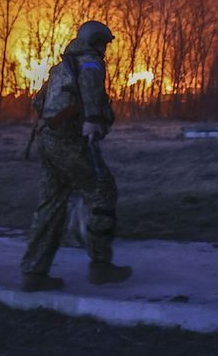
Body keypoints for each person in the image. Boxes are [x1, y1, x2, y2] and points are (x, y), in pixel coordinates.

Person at [20, 19, 132, 291]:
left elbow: (38, 101)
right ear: (96, 42)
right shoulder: (91, 62)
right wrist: (92, 117)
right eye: (104, 44)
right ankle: (101, 266)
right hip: (68, 142)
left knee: (51, 203)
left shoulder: (60, 68)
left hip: (46, 140)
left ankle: (34, 273)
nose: (105, 49)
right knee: (103, 191)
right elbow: (93, 90)